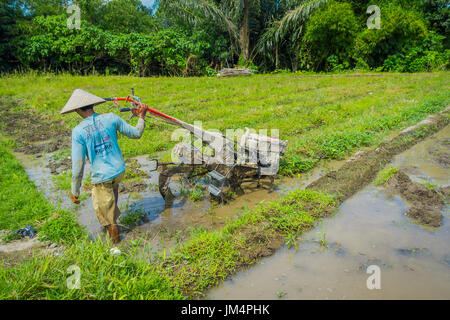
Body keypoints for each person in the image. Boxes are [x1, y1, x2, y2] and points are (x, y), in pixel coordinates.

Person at [60, 89, 147, 243]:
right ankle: (111, 214)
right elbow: (136, 133)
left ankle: (116, 247)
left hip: (102, 176)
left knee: (108, 219)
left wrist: (75, 190)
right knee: (111, 194)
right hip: (119, 170)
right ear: (92, 105)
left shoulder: (79, 131)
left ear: (78, 110)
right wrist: (141, 116)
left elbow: (78, 165)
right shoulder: (111, 118)